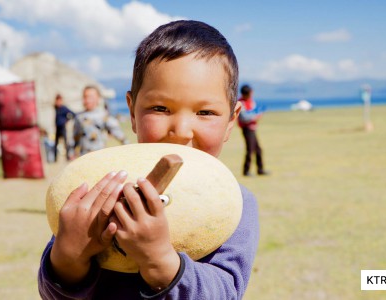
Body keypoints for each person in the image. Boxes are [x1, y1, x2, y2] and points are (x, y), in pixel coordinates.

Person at [38, 20, 260, 299]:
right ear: (132, 112)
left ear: (231, 121)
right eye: (160, 108)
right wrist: (68, 258)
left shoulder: (234, 204)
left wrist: (160, 262)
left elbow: (226, 292)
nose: (180, 131)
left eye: (205, 112)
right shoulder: (99, 189)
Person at [73, 85, 129, 156]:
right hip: (83, 156)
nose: (87, 100)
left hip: (100, 155)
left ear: (98, 98)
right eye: (85, 97)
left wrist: (127, 145)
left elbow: (117, 131)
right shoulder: (79, 117)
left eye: (90, 97)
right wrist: (72, 152)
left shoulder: (103, 115)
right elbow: (75, 137)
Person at [238, 84, 268, 176]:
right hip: (247, 129)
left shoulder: (250, 101)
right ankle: (246, 171)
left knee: (258, 150)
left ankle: (260, 169)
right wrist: (255, 117)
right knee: (250, 150)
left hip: (252, 128)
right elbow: (243, 118)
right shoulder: (241, 103)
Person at [53, 94, 75, 162]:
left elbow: (73, 114)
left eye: (60, 101)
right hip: (57, 128)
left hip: (63, 128)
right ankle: (55, 159)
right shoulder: (56, 108)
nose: (58, 102)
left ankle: (67, 158)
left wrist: (66, 120)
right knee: (56, 144)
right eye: (57, 100)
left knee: (66, 143)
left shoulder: (64, 108)